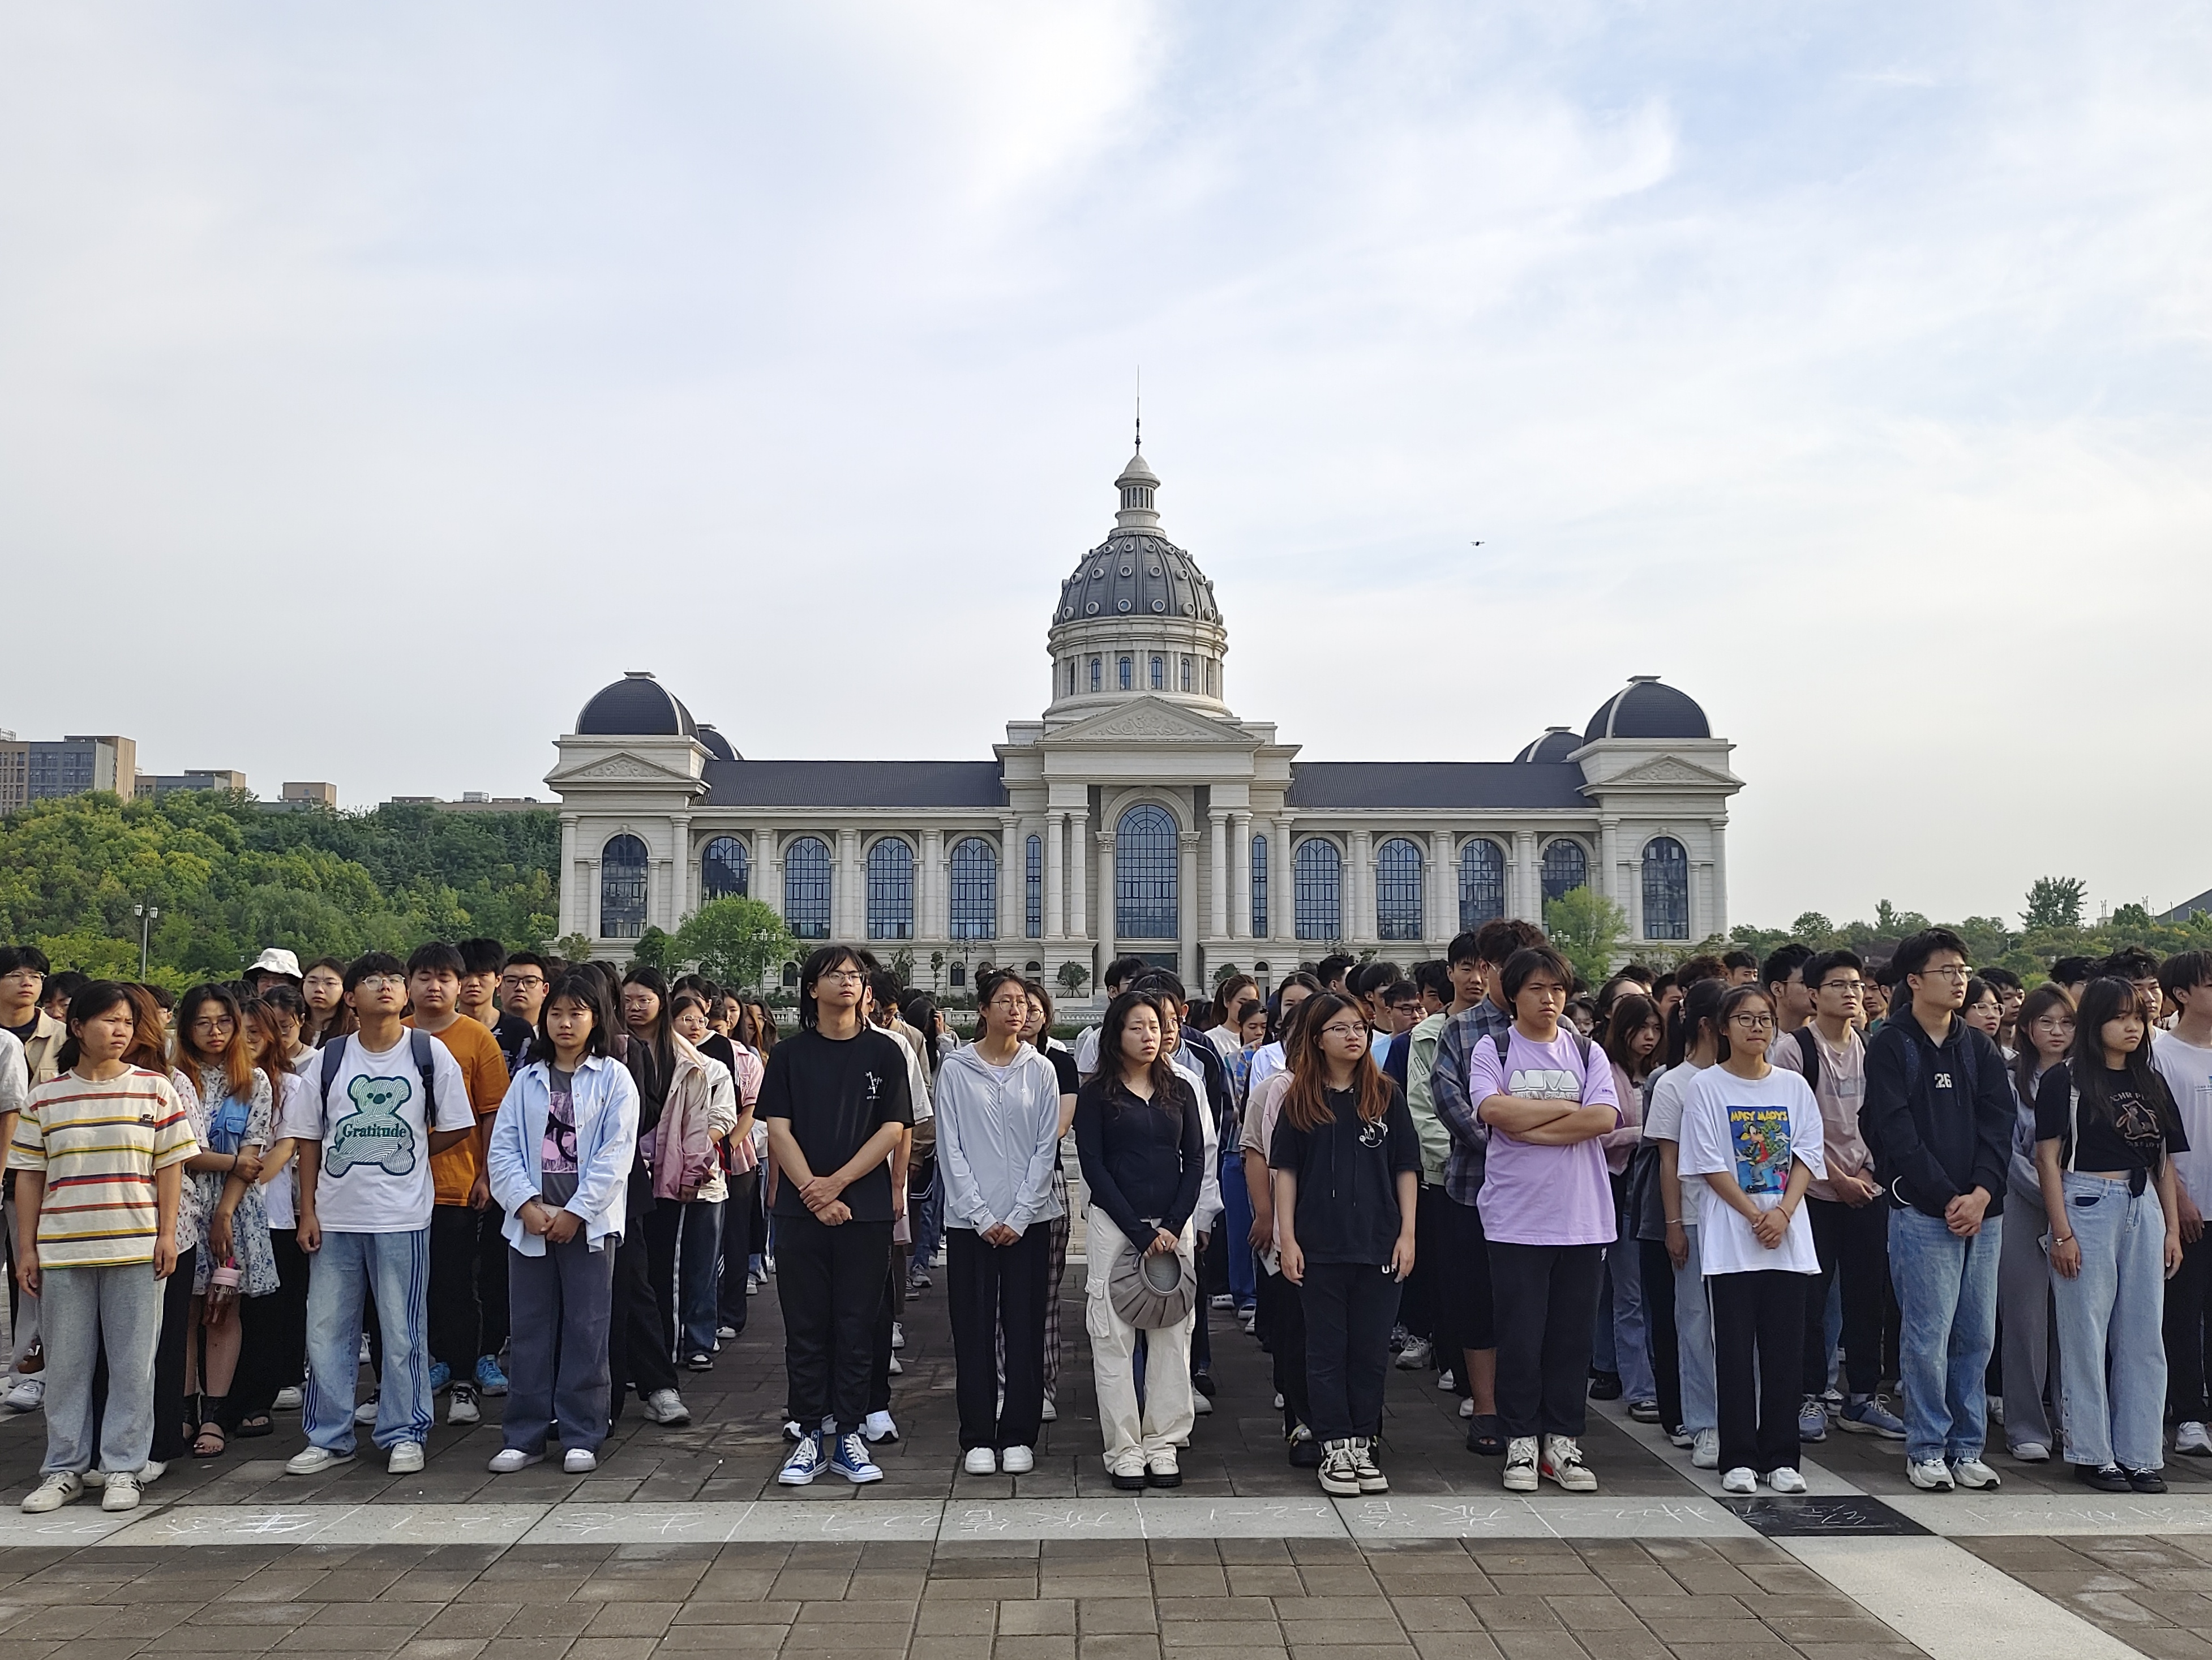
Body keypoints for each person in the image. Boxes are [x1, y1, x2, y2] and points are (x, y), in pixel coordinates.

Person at [284, 953, 473, 1477]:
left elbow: (458, 1123)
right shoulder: (331, 1058)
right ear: (351, 998)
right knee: (326, 1331)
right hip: (336, 1216)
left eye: (393, 980)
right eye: (371, 981)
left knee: (402, 1330)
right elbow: (309, 1139)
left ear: (405, 993)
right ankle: (328, 1436)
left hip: (401, 1216)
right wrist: (308, 1211)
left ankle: (405, 1431)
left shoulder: (427, 1052)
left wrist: (411, 1151)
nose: (385, 987)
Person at [12, 983, 198, 1514]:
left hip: (134, 1247)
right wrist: (27, 1249)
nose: (120, 1031)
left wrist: (166, 1234)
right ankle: (63, 1468)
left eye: (127, 1023)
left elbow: (170, 1168)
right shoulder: (45, 1097)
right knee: (67, 1367)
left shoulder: (154, 1089)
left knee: (134, 1366)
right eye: (109, 1021)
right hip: (64, 1249)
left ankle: (123, 1467)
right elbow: (29, 1176)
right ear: (78, 1027)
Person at [1861, 927, 2013, 1492]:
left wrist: (1981, 1193)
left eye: (1963, 970)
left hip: (1983, 1214)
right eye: (1946, 970)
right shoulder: (1891, 1044)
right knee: (1927, 1336)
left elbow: (1999, 1125)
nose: (1959, 980)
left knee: (1976, 1335)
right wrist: (1948, 1196)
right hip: (1925, 1214)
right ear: (1914, 980)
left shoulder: (1977, 1046)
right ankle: (1926, 1447)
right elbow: (1895, 1130)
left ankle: (1966, 1446)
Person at [1469, 944, 1622, 1493]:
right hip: (1515, 1218)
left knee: (1571, 1340)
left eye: (1557, 988)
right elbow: (1491, 1109)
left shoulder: (1586, 1050)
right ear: (1513, 994)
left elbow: (1603, 1118)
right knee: (1520, 1336)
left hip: (1582, 1218)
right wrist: (1566, 1110)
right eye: (1536, 988)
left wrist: (1530, 1126)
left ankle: (1562, 1442)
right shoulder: (1494, 1046)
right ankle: (1520, 1441)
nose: (1549, 999)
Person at [765, 945, 914, 1487]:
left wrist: (837, 1184)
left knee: (857, 1326)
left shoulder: (886, 1052)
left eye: (855, 975)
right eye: (835, 975)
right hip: (801, 1213)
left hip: (865, 1211)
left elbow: (893, 1129)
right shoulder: (789, 1055)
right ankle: (809, 1432)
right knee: (805, 1326)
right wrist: (814, 1192)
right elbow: (777, 1129)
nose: (848, 982)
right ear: (812, 989)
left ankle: (849, 1433)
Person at [485, 970, 640, 1473]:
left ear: (596, 1019)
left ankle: (582, 1432)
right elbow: (503, 1149)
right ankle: (525, 1435)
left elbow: (616, 1156)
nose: (565, 1023)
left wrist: (575, 1212)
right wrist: (526, 1206)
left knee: (586, 1329)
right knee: (529, 1329)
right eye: (556, 1014)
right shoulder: (527, 1080)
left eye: (577, 1014)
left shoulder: (614, 1078)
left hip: (587, 1225)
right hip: (530, 1223)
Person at [2038, 974, 2187, 1491]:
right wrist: (2061, 1233)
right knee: (2085, 1334)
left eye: (2139, 1017)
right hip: (2087, 1200)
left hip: (2144, 1203)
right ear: (2096, 1020)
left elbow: (2164, 1161)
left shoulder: (2151, 1079)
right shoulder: (2066, 1079)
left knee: (2144, 1334)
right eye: (2120, 1017)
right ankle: (2091, 1452)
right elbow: (2047, 1159)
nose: (2133, 1026)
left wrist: (2171, 1229)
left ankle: (2140, 1453)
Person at [1271, 991, 1420, 1497]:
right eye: (1340, 1028)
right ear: (1317, 1038)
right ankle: (1333, 1444)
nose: (1353, 1036)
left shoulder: (1386, 1095)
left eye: (1359, 1027)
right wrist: (1287, 1238)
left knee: (1370, 1351)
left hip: (1379, 1244)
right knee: (1326, 1350)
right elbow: (1286, 1172)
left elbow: (1405, 1167)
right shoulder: (1300, 1098)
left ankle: (1363, 1440)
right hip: (1319, 1247)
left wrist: (1408, 1234)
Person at [1679, 986, 1825, 1495]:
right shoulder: (1706, 1087)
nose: (1757, 1027)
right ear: (1723, 1027)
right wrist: (1753, 1215)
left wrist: (1782, 1213)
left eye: (1765, 1018)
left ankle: (1782, 1457)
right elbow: (1707, 1162)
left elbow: (1807, 1154)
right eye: (1745, 1018)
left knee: (1785, 1351)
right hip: (1731, 1241)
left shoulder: (1793, 1087)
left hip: (1788, 1238)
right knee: (1734, 1352)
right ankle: (1738, 1457)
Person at [1771, 949, 1904, 1442]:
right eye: (1838, 986)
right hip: (1812, 1192)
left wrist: (1865, 1170)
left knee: (1867, 1297)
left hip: (1867, 1187)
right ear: (1813, 994)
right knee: (1810, 1299)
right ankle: (1808, 1394)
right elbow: (1790, 1129)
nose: (1852, 994)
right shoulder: (1793, 1051)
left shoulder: (1873, 1047)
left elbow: (1884, 1118)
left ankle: (1862, 1397)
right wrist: (1836, 1178)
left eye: (1856, 985)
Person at [1075, 990, 1206, 1490]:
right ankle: (1125, 1448)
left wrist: (1172, 1225)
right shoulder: (1097, 1094)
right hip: (1116, 1226)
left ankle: (1164, 1442)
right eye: (1137, 1027)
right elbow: (1094, 1166)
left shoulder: (1180, 1089)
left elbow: (1195, 1160)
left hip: (1173, 1228)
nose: (1150, 1036)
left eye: (1155, 1026)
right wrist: (1138, 1230)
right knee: (1113, 1338)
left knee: (1173, 1337)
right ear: (1116, 1034)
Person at [936, 970, 1063, 1474]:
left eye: (1024, 1003)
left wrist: (1021, 1213)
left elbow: (1046, 1148)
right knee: (973, 1328)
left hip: (1029, 1222)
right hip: (970, 1224)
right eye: (1005, 1001)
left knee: (1025, 1327)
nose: (1017, 1010)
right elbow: (950, 1147)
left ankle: (1018, 1434)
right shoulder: (956, 1069)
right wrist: (981, 1214)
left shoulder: (1041, 1070)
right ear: (983, 1010)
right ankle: (977, 1436)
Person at [1429, 918, 1545, 1456]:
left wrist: (1535, 1143)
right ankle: (1487, 1407)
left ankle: (1532, 1405)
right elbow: (1452, 1104)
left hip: (1545, 1194)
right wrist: (1514, 1147)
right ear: (1486, 968)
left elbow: (1580, 1106)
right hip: (1475, 1187)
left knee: (1533, 1303)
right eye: (1509, 968)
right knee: (1478, 1301)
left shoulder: (1561, 1034)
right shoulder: (1462, 1030)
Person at [399, 943, 511, 1428]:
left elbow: (493, 1113)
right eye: (424, 977)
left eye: (445, 978)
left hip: (457, 1184)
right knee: (408, 1288)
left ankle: (464, 1378)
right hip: (396, 1188)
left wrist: (486, 1175)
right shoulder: (395, 1035)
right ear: (409, 984)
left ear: (459, 985)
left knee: (457, 1285)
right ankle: (423, 1371)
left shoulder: (476, 1038)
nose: (434, 987)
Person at [170, 984, 278, 1458]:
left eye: (224, 1022)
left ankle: (214, 1413)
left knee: (224, 1308)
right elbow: (180, 1154)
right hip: (182, 1204)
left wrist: (225, 1213)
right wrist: (232, 1162)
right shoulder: (174, 1079)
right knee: (186, 1312)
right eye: (203, 1023)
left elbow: (252, 1156)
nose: (215, 1032)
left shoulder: (253, 1080)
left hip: (235, 1209)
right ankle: (183, 1410)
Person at [1639, 978, 1726, 1464]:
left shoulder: (1762, 1079)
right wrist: (1673, 1223)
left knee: (1746, 1326)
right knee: (1694, 1323)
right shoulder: (1674, 1083)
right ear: (1711, 1024)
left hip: (1749, 1221)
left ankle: (1747, 1419)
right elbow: (1667, 1162)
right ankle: (1705, 1423)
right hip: (1694, 1216)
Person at [1243, 993, 1321, 1464]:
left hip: (1345, 1233)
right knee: (1296, 1328)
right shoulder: (1275, 1091)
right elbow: (1256, 1152)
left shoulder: (1372, 1089)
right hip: (1292, 1229)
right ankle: (1301, 1421)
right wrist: (1266, 1214)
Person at [1997, 983, 2074, 1461]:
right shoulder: (2008, 1079)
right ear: (2027, 1027)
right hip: (2022, 1206)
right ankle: (2026, 1426)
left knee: (2075, 1322)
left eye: (2067, 1023)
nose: (2057, 1032)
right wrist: (2052, 1197)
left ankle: (2074, 1421)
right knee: (2025, 1321)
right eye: (2046, 1022)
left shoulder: (2087, 1078)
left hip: (2084, 1210)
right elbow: (2007, 1152)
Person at [651, 991, 740, 1370]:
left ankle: (699, 1340)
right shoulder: (657, 1064)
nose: (695, 1026)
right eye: (686, 1019)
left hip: (707, 1180)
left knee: (702, 1265)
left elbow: (724, 1118)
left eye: (700, 1020)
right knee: (666, 1267)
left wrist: (695, 1150)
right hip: (663, 1182)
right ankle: (665, 1343)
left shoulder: (713, 1068)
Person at [1596, 992, 1661, 1419]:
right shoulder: (1606, 1070)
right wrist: (1642, 1134)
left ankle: (1649, 1374)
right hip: (1619, 1192)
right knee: (1629, 1296)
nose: (1649, 1037)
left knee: (1649, 1294)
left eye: (1656, 1028)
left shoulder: (1662, 1073)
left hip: (1655, 1195)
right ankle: (1640, 1387)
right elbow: (1597, 1134)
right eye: (1641, 1029)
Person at [2158, 953, 2212, 1457]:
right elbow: (2156, 1139)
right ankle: (2189, 1414)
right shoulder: (2161, 1054)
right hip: (2187, 1209)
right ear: (2181, 995)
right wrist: (2179, 1197)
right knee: (2182, 1313)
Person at [1020, 980, 1081, 1420]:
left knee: (1044, 1291)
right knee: (998, 1294)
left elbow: (1060, 1127)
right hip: (991, 1185)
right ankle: (1004, 1382)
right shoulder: (976, 1064)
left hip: (1046, 1180)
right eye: (1014, 1005)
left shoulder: (1060, 1063)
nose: (1023, 1015)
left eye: (1033, 1008)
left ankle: (1041, 1383)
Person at [494, 952, 553, 1072]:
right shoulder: (486, 1035)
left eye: (530, 982)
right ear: (499, 988)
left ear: (545, 990)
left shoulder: (555, 1036)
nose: (520, 988)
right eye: (511, 981)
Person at [299, 957, 352, 1049]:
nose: (319, 989)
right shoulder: (291, 1027)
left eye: (330, 983)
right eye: (312, 982)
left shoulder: (353, 1034)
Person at [454, 938, 505, 1030]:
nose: (474, 983)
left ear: (498, 980)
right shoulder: (439, 1028)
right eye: (466, 976)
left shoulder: (517, 1029)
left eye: (483, 975)